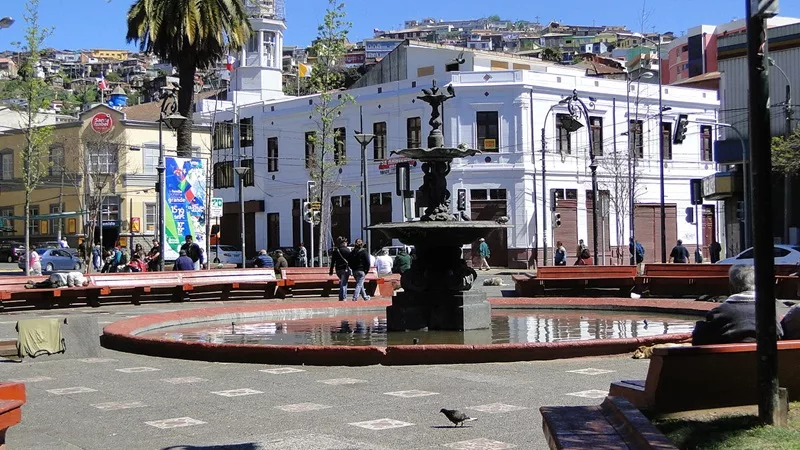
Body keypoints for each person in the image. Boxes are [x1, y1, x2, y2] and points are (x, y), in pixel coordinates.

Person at [692, 265, 784, 345]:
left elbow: (698, 340)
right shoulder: (777, 310)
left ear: (732, 287)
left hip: (731, 364)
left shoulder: (720, 313)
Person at [329, 236, 352, 301]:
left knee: (342, 282)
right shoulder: (347, 250)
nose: (347, 243)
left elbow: (333, 262)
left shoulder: (335, 251)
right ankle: (343, 297)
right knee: (344, 283)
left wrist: (331, 270)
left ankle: (341, 296)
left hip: (338, 269)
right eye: (346, 242)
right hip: (345, 269)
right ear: (344, 243)